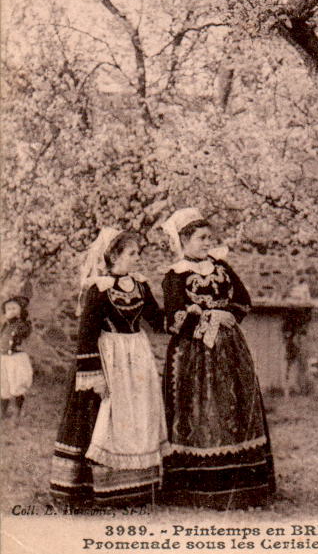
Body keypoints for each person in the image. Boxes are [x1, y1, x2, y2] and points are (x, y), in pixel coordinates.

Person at [161, 208, 276, 510]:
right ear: (184, 240)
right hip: (192, 353)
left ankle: (245, 487)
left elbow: (244, 301)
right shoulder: (175, 275)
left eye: (209, 238)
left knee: (235, 405)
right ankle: (196, 488)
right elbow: (172, 318)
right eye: (201, 238)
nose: (206, 243)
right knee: (199, 410)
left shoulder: (221, 267)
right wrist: (205, 318)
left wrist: (228, 315)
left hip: (230, 348)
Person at [50, 228, 169, 507]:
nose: (137, 258)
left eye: (137, 252)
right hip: (108, 357)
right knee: (102, 417)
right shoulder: (99, 289)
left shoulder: (141, 285)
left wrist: (184, 313)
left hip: (137, 357)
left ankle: (137, 487)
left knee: (137, 415)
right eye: (131, 253)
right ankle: (94, 488)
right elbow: (87, 335)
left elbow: (157, 320)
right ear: (114, 255)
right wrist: (95, 375)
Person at [1, 296, 33, 423]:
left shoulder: (23, 324)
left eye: (14, 308)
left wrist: (21, 320)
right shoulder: (5, 325)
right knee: (3, 384)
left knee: (17, 384)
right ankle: (2, 411)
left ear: (21, 310)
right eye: (8, 308)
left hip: (16, 359)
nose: (10, 311)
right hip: (4, 358)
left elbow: (25, 333)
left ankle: (17, 412)